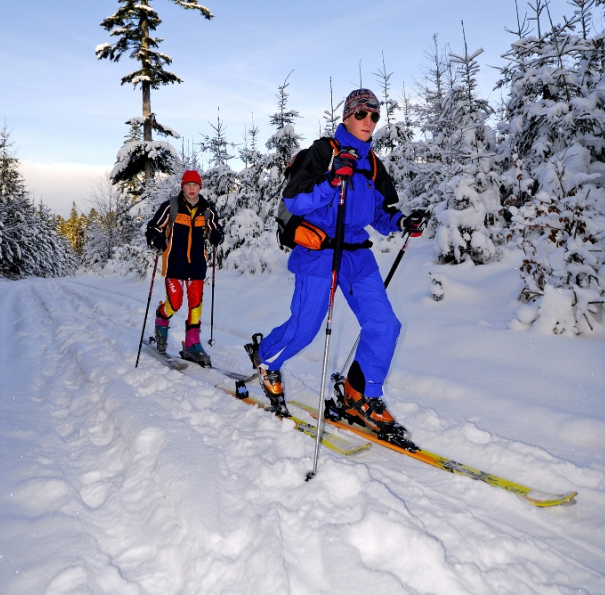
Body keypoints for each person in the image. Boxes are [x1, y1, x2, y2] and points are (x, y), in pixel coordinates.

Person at [245, 88, 427, 434]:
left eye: (374, 115)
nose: (369, 121)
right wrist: (332, 180)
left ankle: (360, 395)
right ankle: (267, 358)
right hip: (318, 250)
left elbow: (380, 212)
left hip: (356, 254)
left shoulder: (373, 163)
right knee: (305, 328)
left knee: (385, 325)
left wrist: (402, 222)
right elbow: (296, 201)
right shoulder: (323, 153)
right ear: (346, 116)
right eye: (362, 113)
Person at [146, 169, 224, 366]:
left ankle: (192, 344)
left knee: (196, 304)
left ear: (200, 187)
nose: (191, 188)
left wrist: (217, 235)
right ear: (183, 187)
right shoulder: (171, 206)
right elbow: (154, 226)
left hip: (197, 265)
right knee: (175, 303)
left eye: (195, 185)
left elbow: (215, 228)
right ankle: (161, 321)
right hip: (175, 264)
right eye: (188, 184)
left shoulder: (207, 210)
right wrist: (155, 237)